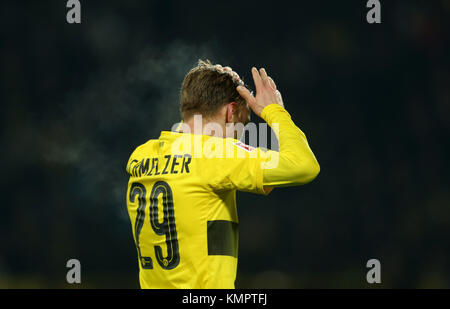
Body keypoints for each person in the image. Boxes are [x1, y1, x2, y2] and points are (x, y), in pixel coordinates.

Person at [125, 60, 320, 288]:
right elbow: (304, 165)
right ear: (231, 111)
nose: (239, 137)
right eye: (242, 125)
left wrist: (208, 82)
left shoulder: (141, 156)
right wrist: (275, 112)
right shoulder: (215, 154)